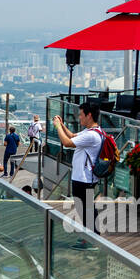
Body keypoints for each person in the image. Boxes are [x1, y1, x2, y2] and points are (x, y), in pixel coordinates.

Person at [53, 100, 105, 238]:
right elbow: (72, 136)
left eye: (81, 114)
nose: (79, 117)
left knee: (86, 210)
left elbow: (67, 142)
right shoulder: (91, 131)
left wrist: (57, 126)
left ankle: (94, 239)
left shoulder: (92, 135)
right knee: (86, 209)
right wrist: (62, 125)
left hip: (84, 178)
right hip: (83, 178)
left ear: (89, 115)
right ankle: (92, 237)